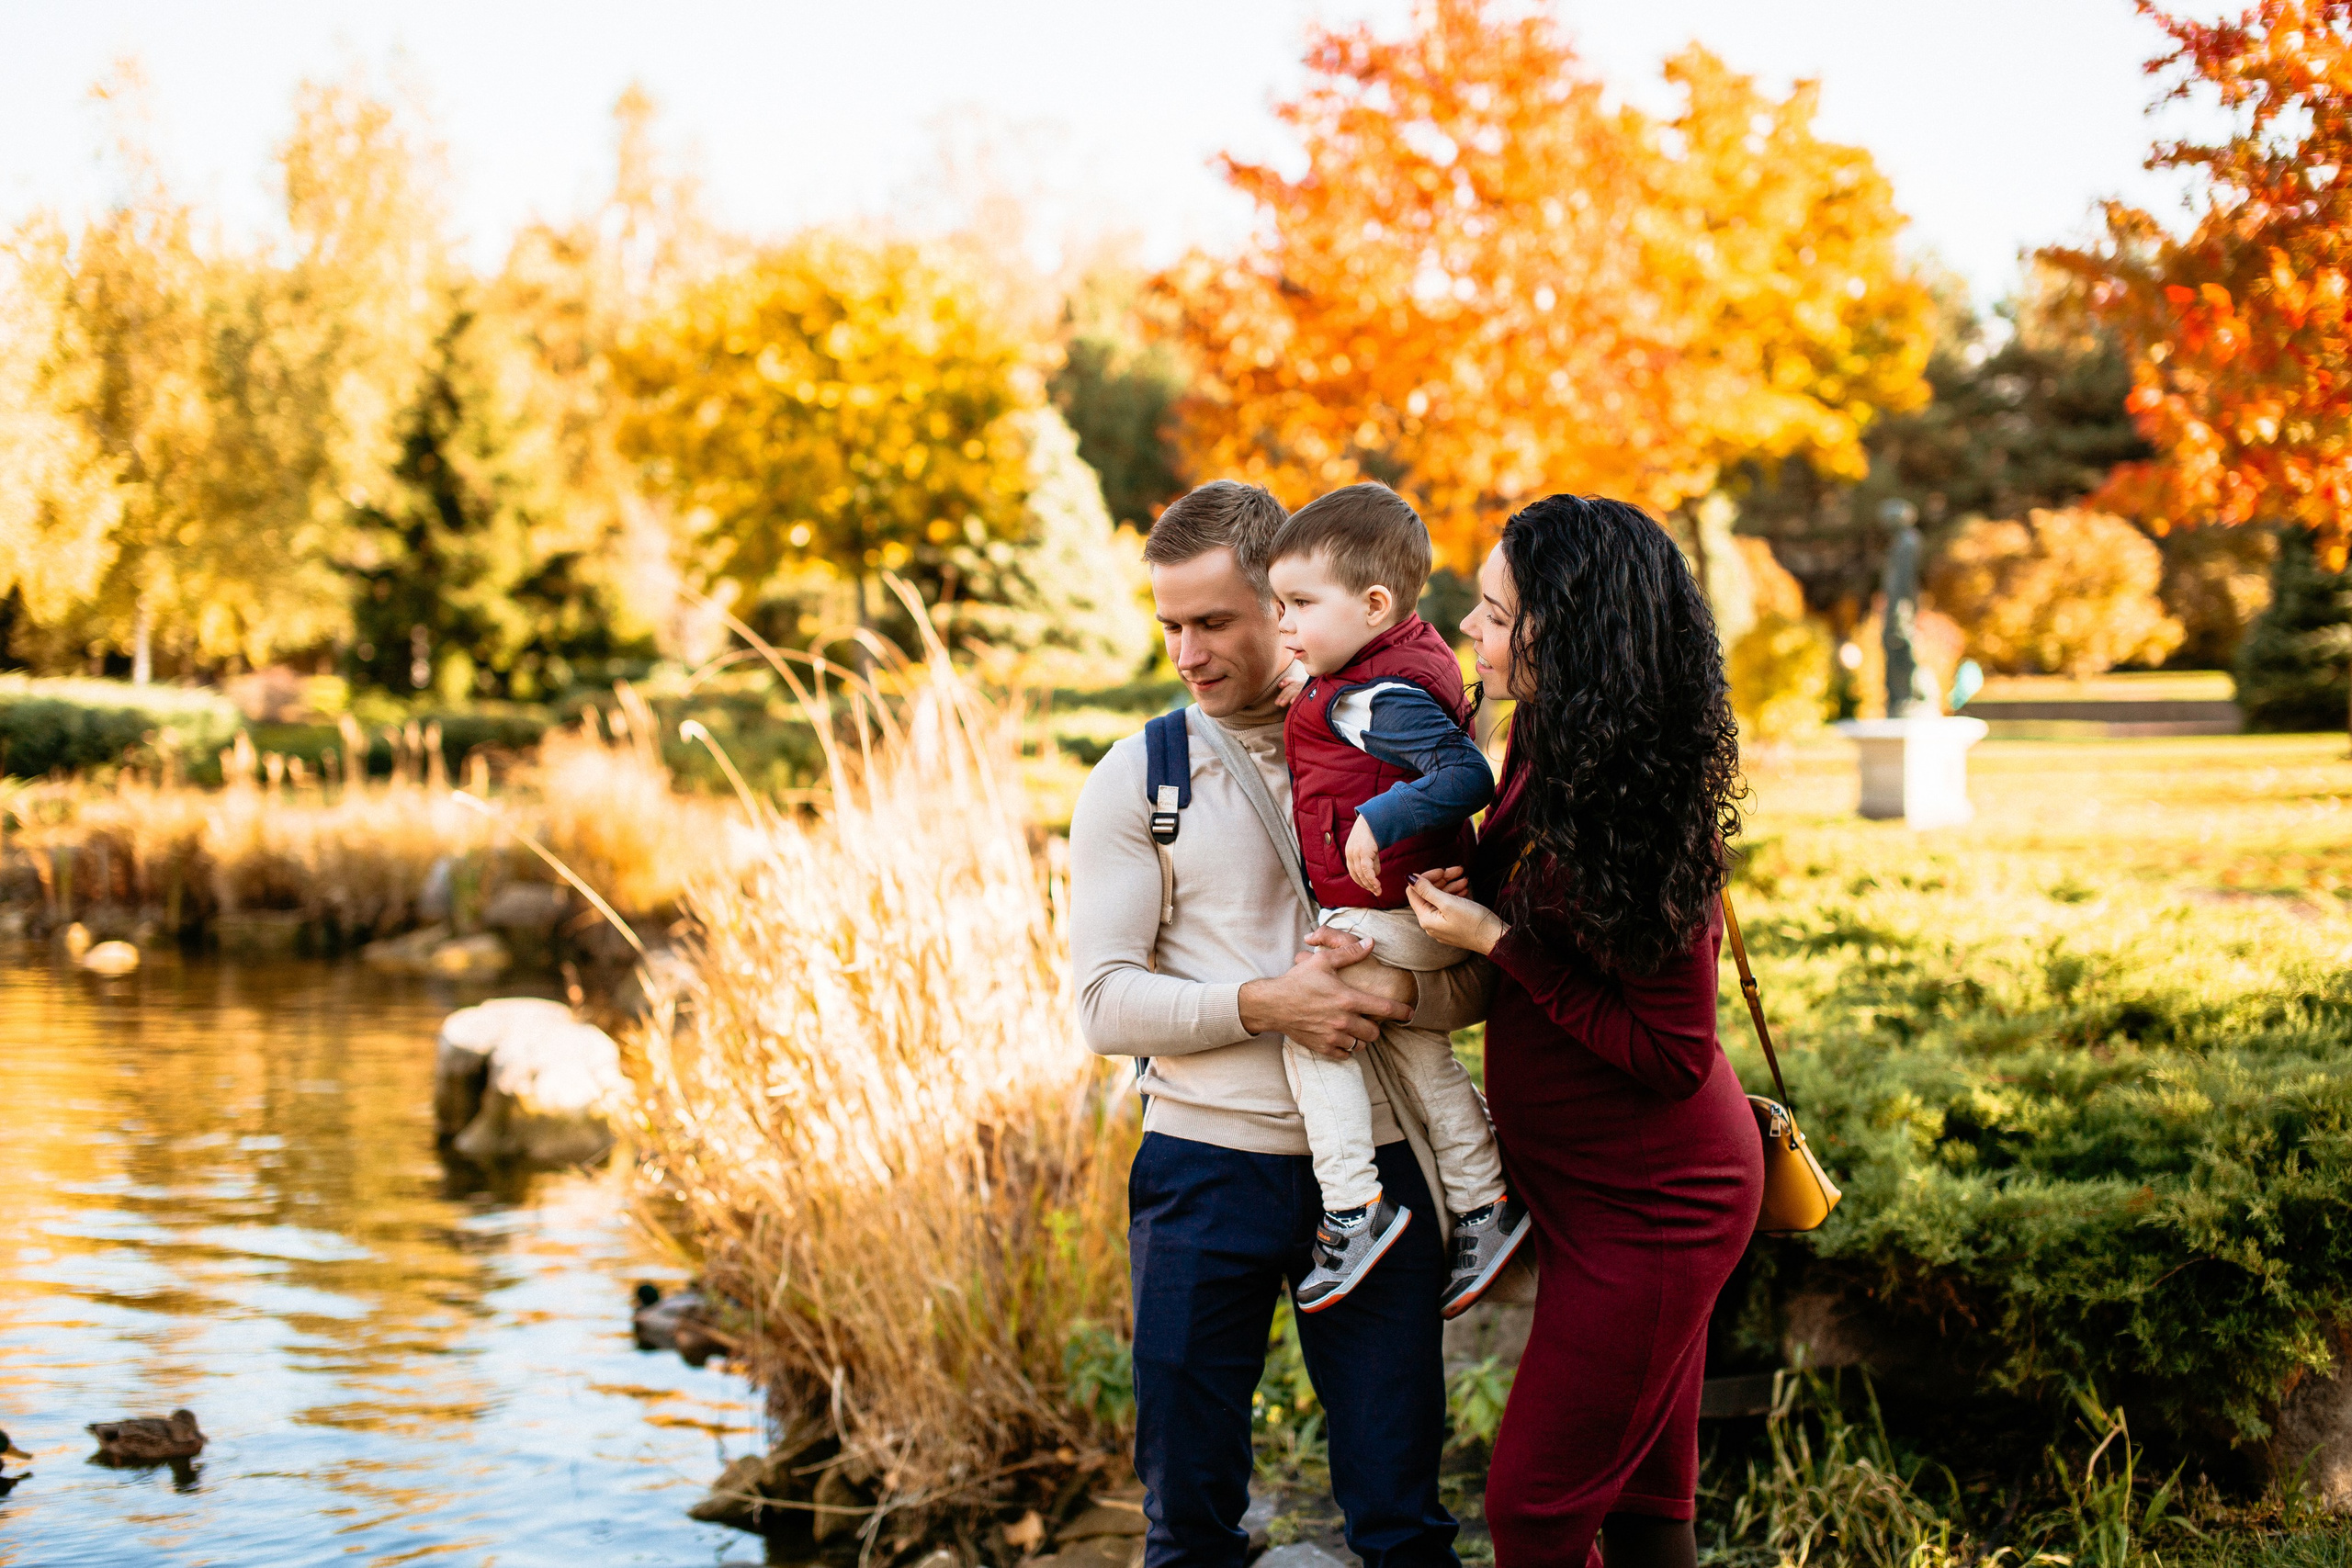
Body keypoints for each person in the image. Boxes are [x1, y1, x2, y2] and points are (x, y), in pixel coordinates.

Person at [1069, 479, 1489, 1568]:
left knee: (1403, 1522)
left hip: (1380, 1182)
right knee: (1190, 1522)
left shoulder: (1401, 740)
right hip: (1202, 1175)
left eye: (1214, 621)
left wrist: (1391, 993)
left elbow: (1471, 983)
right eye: (1168, 624)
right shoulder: (1140, 776)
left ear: (1288, 602)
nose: (1185, 652)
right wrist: (1269, 1004)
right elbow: (1103, 1005)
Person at [1404, 494, 1765, 1568]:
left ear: (1572, 629)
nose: (1471, 629)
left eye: (1495, 613)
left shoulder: (1646, 812)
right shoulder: (1547, 742)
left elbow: (1669, 1054)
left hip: (1658, 1207)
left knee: (1533, 1511)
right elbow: (1541, 900)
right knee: (1650, 1510)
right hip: (1587, 1194)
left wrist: (1495, 939)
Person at [1261, 483, 1529, 1316]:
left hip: (1394, 912)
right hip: (1421, 910)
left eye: (1301, 604)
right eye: (1278, 604)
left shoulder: (1372, 697)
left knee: (1312, 1029)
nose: (1283, 625)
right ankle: (1485, 1206)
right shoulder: (1373, 674)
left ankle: (1353, 1207)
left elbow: (1465, 774)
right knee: (1422, 1060)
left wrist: (1378, 819)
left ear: (1375, 605)